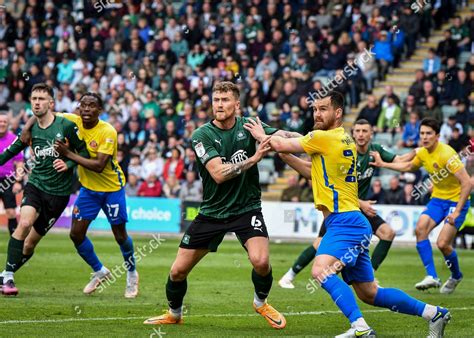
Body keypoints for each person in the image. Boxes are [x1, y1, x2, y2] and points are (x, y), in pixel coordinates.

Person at [244, 92, 451, 337]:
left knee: (320, 270)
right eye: (315, 109)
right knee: (370, 293)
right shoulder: (343, 140)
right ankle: (434, 313)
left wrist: (262, 136)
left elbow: (280, 143)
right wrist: (285, 154)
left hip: (345, 221)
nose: (317, 114)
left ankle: (360, 328)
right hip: (351, 221)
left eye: (323, 109)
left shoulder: (324, 137)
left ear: (338, 112)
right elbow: (313, 171)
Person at [144, 81, 301, 329]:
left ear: (236, 104)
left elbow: (284, 136)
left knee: (261, 262)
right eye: (216, 99)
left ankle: (261, 303)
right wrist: (254, 158)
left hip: (246, 209)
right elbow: (218, 174)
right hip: (212, 212)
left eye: (225, 100)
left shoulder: (250, 126)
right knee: (177, 272)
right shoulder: (202, 135)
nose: (219, 104)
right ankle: (174, 313)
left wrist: (315, 141)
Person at [278, 119, 416, 289]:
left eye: (365, 131)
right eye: (357, 131)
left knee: (388, 233)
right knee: (319, 244)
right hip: (340, 206)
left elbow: (402, 159)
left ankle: (370, 277)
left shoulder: (375, 151)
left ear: (371, 134)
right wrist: (361, 203)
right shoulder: (344, 150)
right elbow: (330, 180)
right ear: (353, 133)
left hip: (358, 210)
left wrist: (419, 150)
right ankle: (289, 275)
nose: (361, 134)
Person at [0, 83, 89, 296]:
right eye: (34, 99)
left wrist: (68, 164)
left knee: (29, 246)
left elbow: (85, 153)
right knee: (24, 223)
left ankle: (4, 275)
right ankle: (9, 279)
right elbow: (10, 152)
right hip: (36, 185)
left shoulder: (65, 126)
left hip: (58, 195)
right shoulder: (30, 129)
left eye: (41, 99)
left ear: (51, 103)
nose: (37, 103)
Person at [52, 93, 139, 298]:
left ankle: (132, 273)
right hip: (88, 190)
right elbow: (46, 115)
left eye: (92, 106)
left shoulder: (107, 131)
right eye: (84, 105)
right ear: (79, 108)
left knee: (119, 235)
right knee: (76, 234)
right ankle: (100, 270)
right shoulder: (72, 121)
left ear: (100, 110)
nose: (87, 109)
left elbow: (99, 166)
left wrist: (68, 154)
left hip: (111, 189)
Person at [370, 117, 471, 294]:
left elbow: (467, 183)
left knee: (442, 244)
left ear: (437, 136)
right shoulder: (423, 152)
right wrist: (383, 164)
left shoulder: (447, 154)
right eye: (422, 133)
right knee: (420, 229)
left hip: (456, 201)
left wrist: (456, 212)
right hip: (438, 199)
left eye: (429, 134)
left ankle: (456, 275)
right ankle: (431, 276)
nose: (424, 137)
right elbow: (409, 166)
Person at [0, 112, 24, 235]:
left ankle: (14, 240)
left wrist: (18, 181)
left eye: (4, 121)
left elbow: (19, 163)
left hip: (7, 180)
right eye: (0, 121)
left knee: (11, 212)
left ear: (8, 124)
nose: (2, 124)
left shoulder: (13, 139)